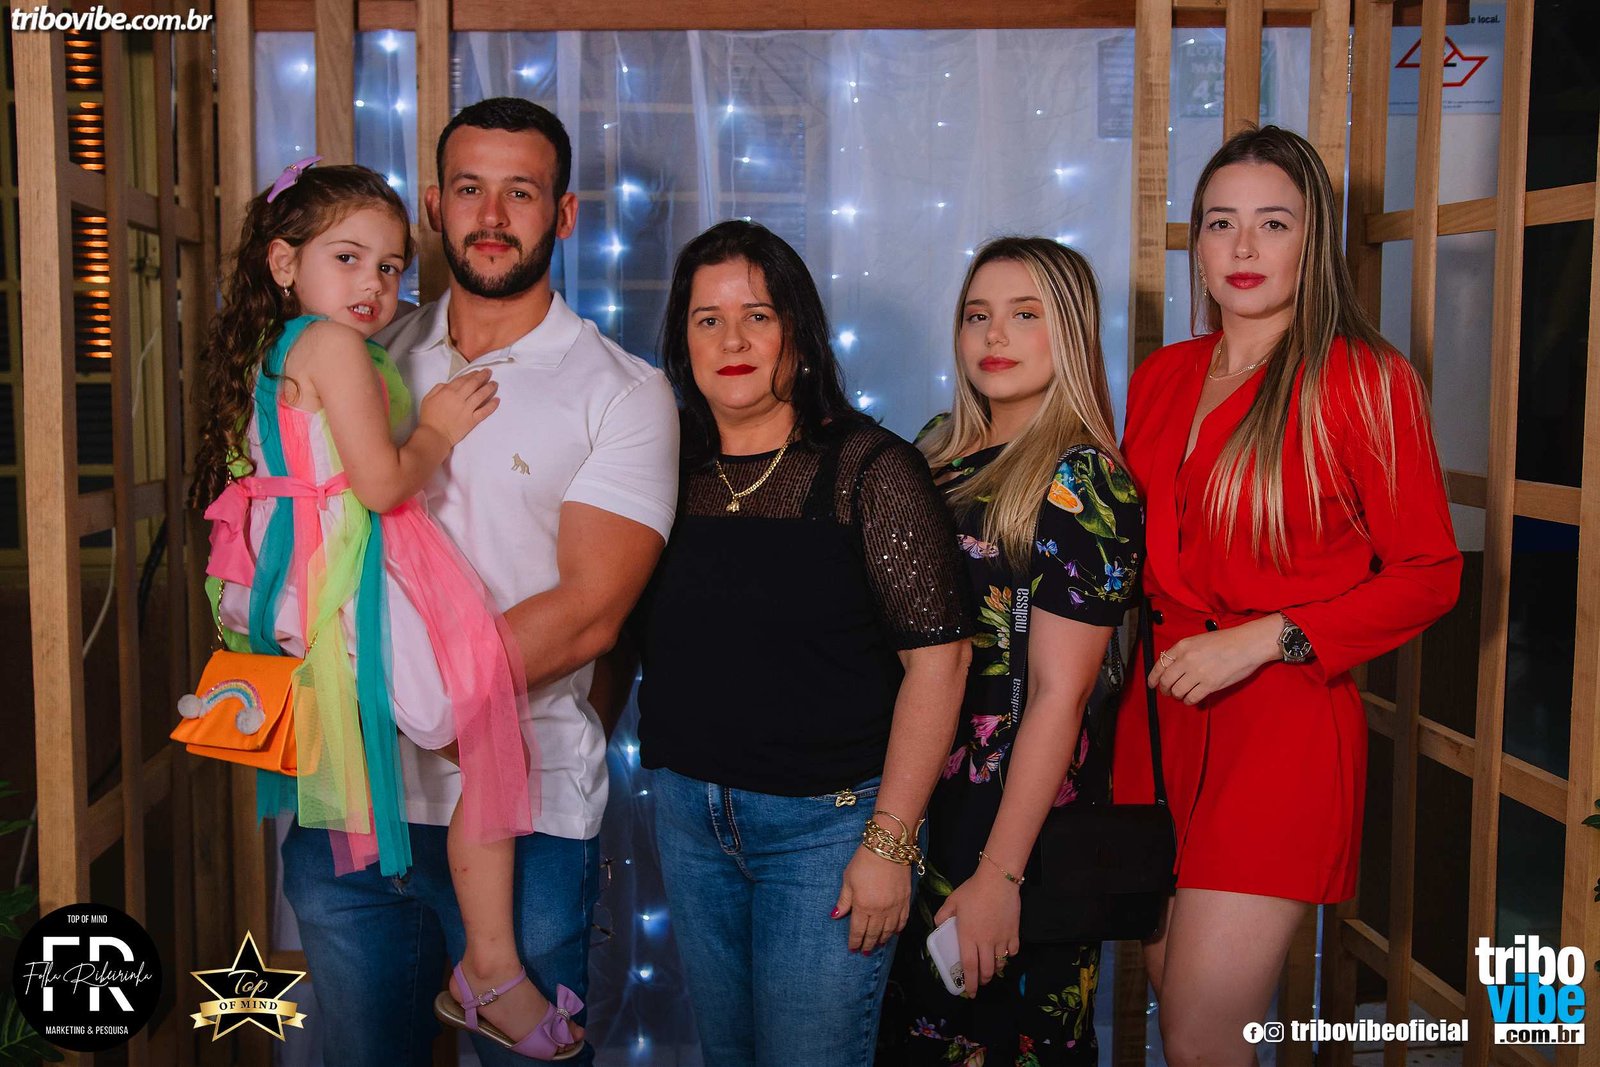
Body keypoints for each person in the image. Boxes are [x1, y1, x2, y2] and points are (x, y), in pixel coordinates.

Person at [276, 99, 676, 1066]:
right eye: (468, 189)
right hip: (350, 803)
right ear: (433, 206)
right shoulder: (364, 349)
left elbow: (589, 613)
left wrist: (419, 701)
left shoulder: (620, 390)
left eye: (520, 192)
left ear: (564, 213)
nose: (491, 215)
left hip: (525, 814)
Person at [191, 158, 588, 1059]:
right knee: (484, 726)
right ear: (284, 263)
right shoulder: (333, 347)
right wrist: (438, 427)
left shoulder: (283, 346)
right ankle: (490, 968)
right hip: (345, 576)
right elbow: (377, 484)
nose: (373, 284)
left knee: (458, 734)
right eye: (347, 258)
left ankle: (478, 961)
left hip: (310, 581)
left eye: (390, 266)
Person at [1113, 125, 1462, 1066]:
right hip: (1158, 720)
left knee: (1201, 1034)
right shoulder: (1161, 377)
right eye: (1220, 222)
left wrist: (1270, 637)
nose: (1243, 246)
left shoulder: (1364, 379)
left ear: (1315, 241)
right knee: (1180, 1018)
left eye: (1273, 222)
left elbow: (1431, 572)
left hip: (1281, 721)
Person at [630, 219, 973, 1067]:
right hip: (690, 822)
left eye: (758, 315)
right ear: (682, 341)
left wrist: (889, 841)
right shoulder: (662, 467)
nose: (733, 340)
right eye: (708, 319)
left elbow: (942, 661)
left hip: (828, 831)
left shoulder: (870, 470)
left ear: (800, 332)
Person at [878, 237, 1143, 1066]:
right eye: (977, 315)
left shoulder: (1083, 480)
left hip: (1010, 827)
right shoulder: (931, 448)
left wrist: (1000, 874)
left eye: (1026, 315)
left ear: (1071, 332)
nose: (995, 335)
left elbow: (1064, 695)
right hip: (911, 802)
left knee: (1001, 1041)